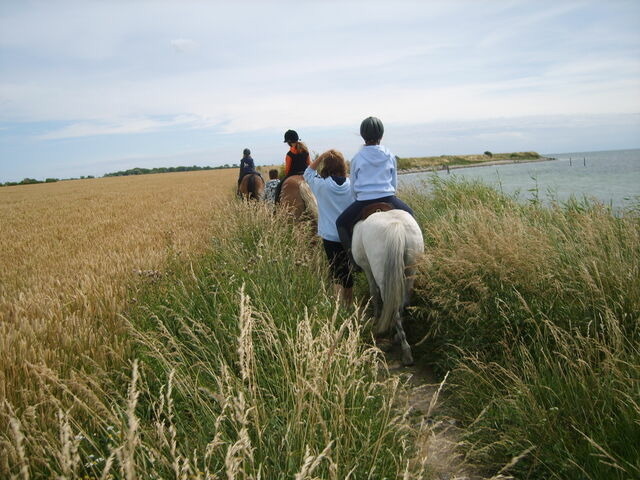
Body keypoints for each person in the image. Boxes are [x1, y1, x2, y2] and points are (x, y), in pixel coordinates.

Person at [335, 116, 414, 264]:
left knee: (341, 223)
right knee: (410, 215)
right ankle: (416, 257)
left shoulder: (357, 158)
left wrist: (358, 197)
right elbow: (394, 183)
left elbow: (353, 186)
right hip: (389, 198)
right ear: (381, 135)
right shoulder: (390, 155)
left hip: (364, 201)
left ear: (363, 136)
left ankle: (352, 260)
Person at [304, 149, 355, 305]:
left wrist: (321, 156)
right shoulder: (352, 184)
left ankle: (339, 307)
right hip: (349, 235)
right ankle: (350, 304)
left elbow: (307, 173)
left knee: (336, 272)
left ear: (326, 167)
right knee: (348, 271)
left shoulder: (321, 185)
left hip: (330, 237)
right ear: (343, 166)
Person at [274, 129, 310, 203]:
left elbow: (287, 170)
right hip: (305, 174)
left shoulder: (289, 154)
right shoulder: (306, 151)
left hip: (292, 174)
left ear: (289, 142)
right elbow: (309, 165)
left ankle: (276, 208)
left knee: (278, 187)